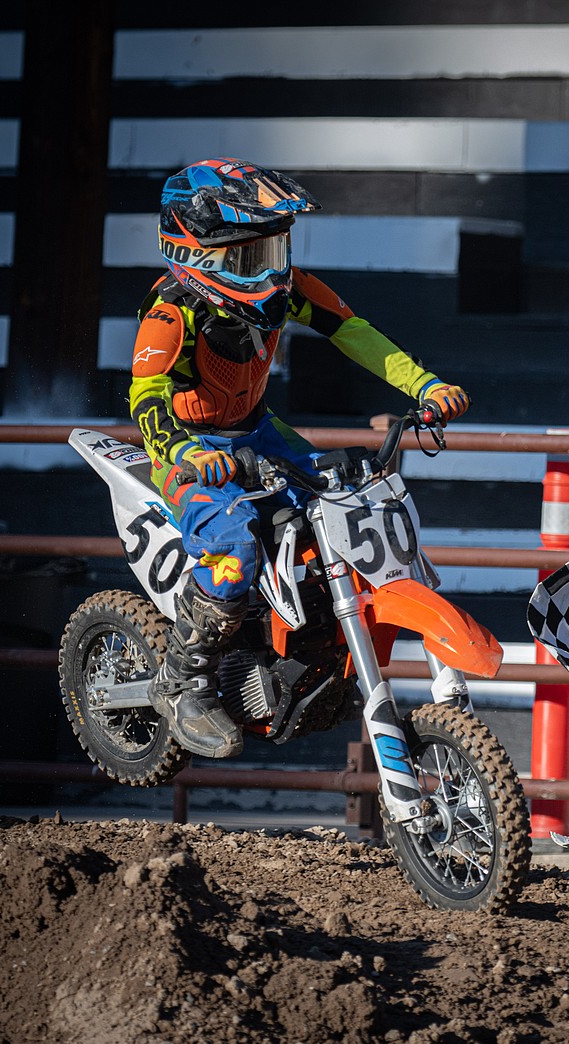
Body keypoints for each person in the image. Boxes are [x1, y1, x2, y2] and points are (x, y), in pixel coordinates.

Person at [129, 157, 469, 759]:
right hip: (187, 451)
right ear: (198, 254)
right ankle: (185, 676)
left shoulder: (287, 292)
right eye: (250, 257)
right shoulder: (171, 314)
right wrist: (181, 453)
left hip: (258, 431)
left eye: (275, 249)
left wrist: (423, 386)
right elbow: (146, 396)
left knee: (348, 491)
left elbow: (352, 330)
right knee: (233, 541)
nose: (271, 269)